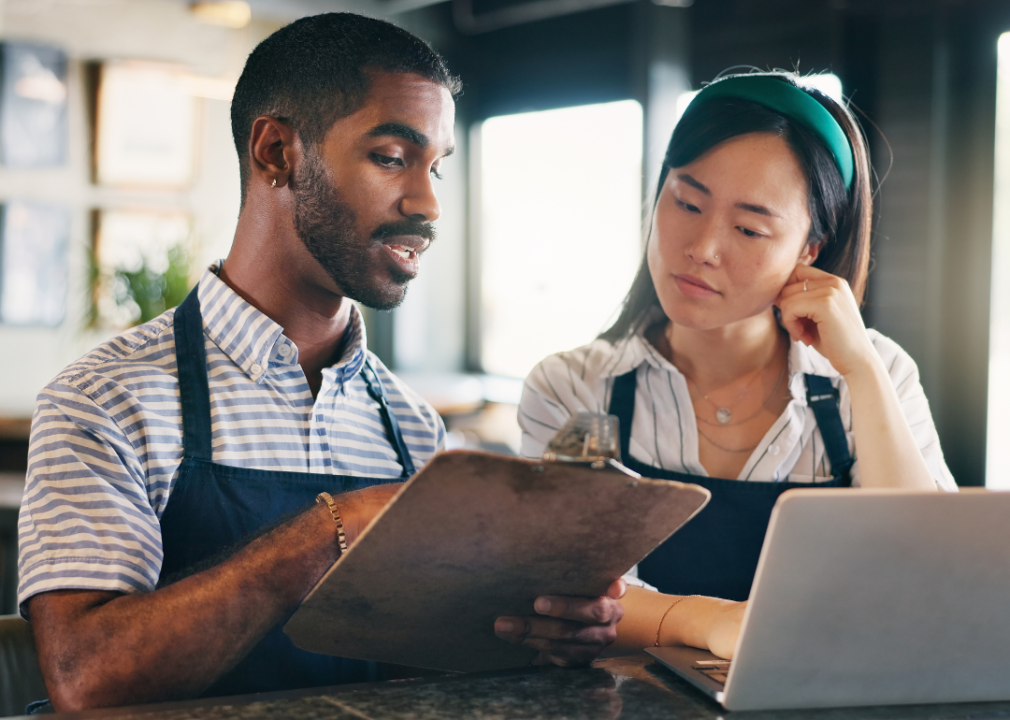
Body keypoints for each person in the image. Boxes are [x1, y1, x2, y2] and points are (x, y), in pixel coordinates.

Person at [17, 14, 623, 712]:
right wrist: (327, 535)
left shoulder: (412, 428)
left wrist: (542, 633)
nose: (428, 203)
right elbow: (86, 678)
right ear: (277, 151)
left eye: (438, 167)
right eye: (393, 157)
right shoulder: (104, 400)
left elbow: (428, 673)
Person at [517, 72, 957, 659]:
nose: (703, 247)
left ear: (810, 249)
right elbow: (569, 598)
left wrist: (862, 371)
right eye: (687, 202)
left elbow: (928, 578)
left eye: (749, 228)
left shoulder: (877, 374)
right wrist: (709, 623)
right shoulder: (573, 386)